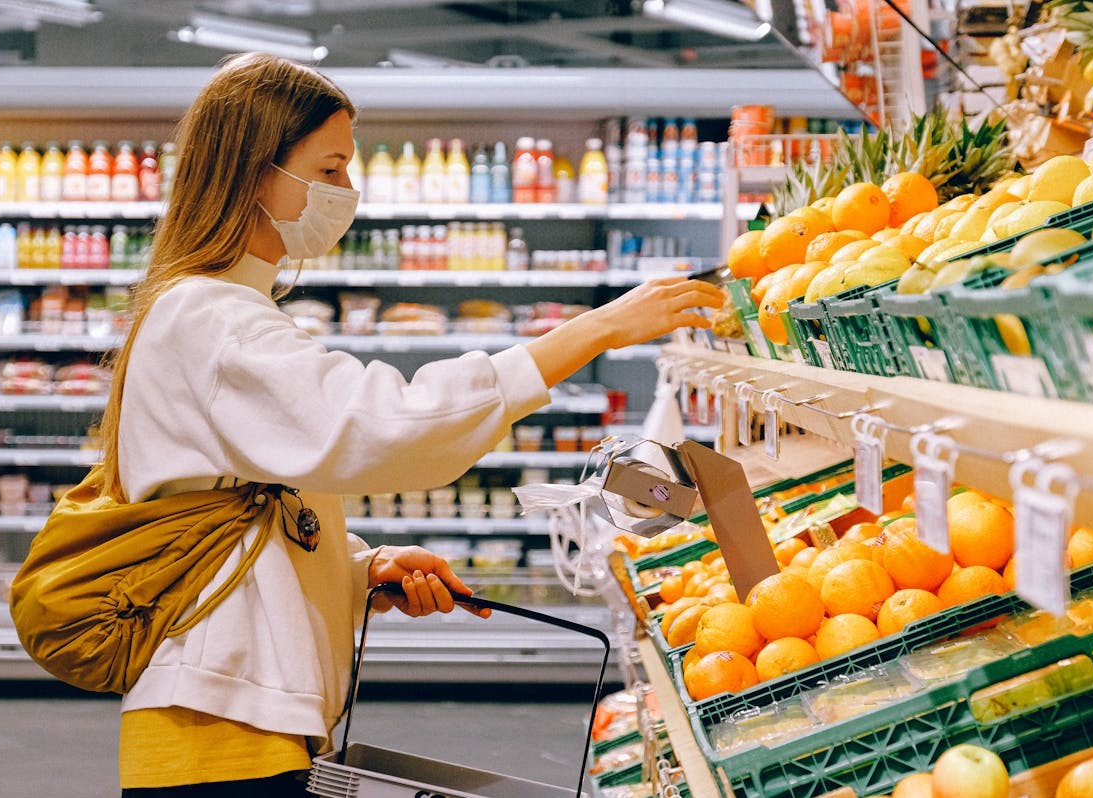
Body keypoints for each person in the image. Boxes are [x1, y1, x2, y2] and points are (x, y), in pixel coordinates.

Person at [103, 52, 725, 797]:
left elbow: (243, 511)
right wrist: (588, 333)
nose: (347, 192)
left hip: (243, 716)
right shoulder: (211, 320)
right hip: (218, 731)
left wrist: (360, 569)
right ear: (256, 172)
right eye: (329, 170)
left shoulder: (222, 311)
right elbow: (384, 424)